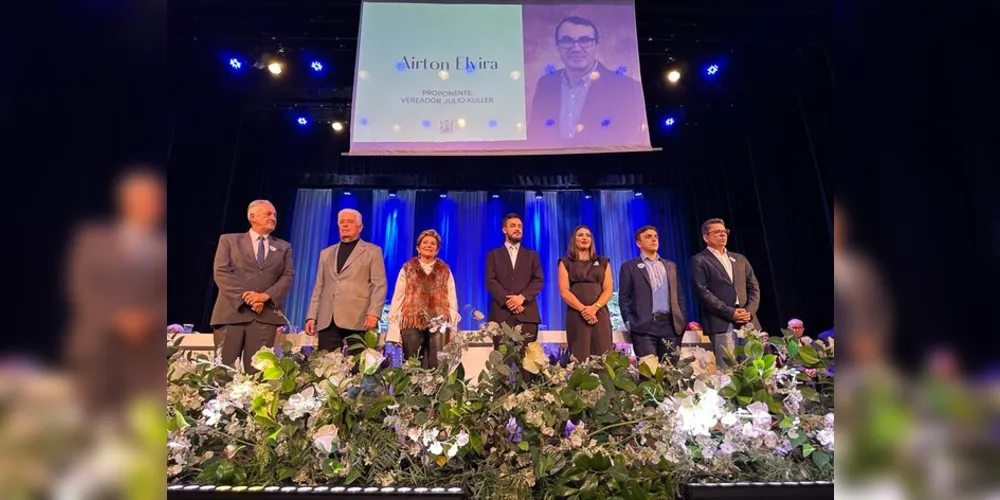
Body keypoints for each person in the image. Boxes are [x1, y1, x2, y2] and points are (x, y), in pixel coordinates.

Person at [64, 167, 166, 414]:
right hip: (97, 348)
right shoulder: (92, 239)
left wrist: (147, 319)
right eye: (145, 199)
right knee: (88, 422)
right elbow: (81, 287)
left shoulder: (162, 247)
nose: (152, 205)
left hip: (145, 352)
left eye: (156, 199)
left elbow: (164, 295)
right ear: (126, 201)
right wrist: (117, 319)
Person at [527, 16, 646, 147]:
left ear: (597, 45)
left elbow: (629, 139)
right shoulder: (546, 84)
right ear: (558, 47)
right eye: (567, 41)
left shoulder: (627, 88)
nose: (576, 48)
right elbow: (536, 134)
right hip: (551, 164)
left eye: (584, 41)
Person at [209, 199, 295, 373]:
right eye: (268, 214)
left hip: (264, 316)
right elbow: (221, 272)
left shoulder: (283, 247)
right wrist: (246, 297)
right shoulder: (229, 240)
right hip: (231, 314)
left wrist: (264, 297)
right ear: (252, 216)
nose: (273, 218)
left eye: (275, 215)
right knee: (224, 371)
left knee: (258, 375)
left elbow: (287, 276)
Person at [305, 209, 388, 352]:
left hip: (358, 318)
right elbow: (319, 286)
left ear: (360, 227)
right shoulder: (326, 253)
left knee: (357, 369)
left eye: (350, 222)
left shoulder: (373, 251)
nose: (345, 225)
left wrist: (373, 313)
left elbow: (379, 285)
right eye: (341, 222)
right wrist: (311, 316)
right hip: (328, 319)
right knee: (326, 368)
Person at [689, 218, 761, 369]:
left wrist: (749, 311)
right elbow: (702, 291)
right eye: (717, 232)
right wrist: (730, 312)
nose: (722, 235)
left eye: (724, 231)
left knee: (754, 369)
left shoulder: (739, 259)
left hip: (747, 322)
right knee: (728, 371)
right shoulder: (699, 260)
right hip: (721, 322)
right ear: (705, 237)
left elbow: (754, 286)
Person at [385, 230, 460, 368]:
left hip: (439, 323)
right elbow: (397, 299)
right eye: (425, 242)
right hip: (412, 321)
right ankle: (413, 390)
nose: (429, 245)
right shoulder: (407, 269)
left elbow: (452, 300)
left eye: (433, 243)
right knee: (412, 366)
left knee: (438, 366)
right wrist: (394, 330)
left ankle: (436, 389)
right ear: (418, 248)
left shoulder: (444, 270)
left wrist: (453, 329)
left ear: (437, 250)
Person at [618, 226, 687, 361]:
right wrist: (630, 322)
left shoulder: (670, 266)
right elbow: (624, 298)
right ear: (639, 243)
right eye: (648, 237)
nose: (653, 239)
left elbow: (680, 296)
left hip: (671, 328)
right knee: (649, 375)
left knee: (671, 376)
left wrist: (682, 320)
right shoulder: (630, 266)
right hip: (644, 328)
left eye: (655, 236)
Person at [485, 213, 543, 351]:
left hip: (527, 315)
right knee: (502, 365)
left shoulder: (532, 255)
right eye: (513, 226)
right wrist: (509, 302)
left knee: (527, 366)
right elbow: (490, 281)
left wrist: (521, 298)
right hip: (501, 316)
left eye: (520, 226)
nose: (517, 229)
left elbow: (538, 280)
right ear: (504, 230)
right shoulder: (493, 254)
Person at [557, 225, 613, 362]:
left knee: (603, 354)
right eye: (580, 235)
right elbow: (564, 291)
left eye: (588, 235)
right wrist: (584, 310)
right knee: (580, 354)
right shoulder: (565, 262)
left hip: (599, 313)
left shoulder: (603, 262)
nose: (584, 238)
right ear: (574, 240)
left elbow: (608, 290)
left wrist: (594, 308)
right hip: (577, 314)